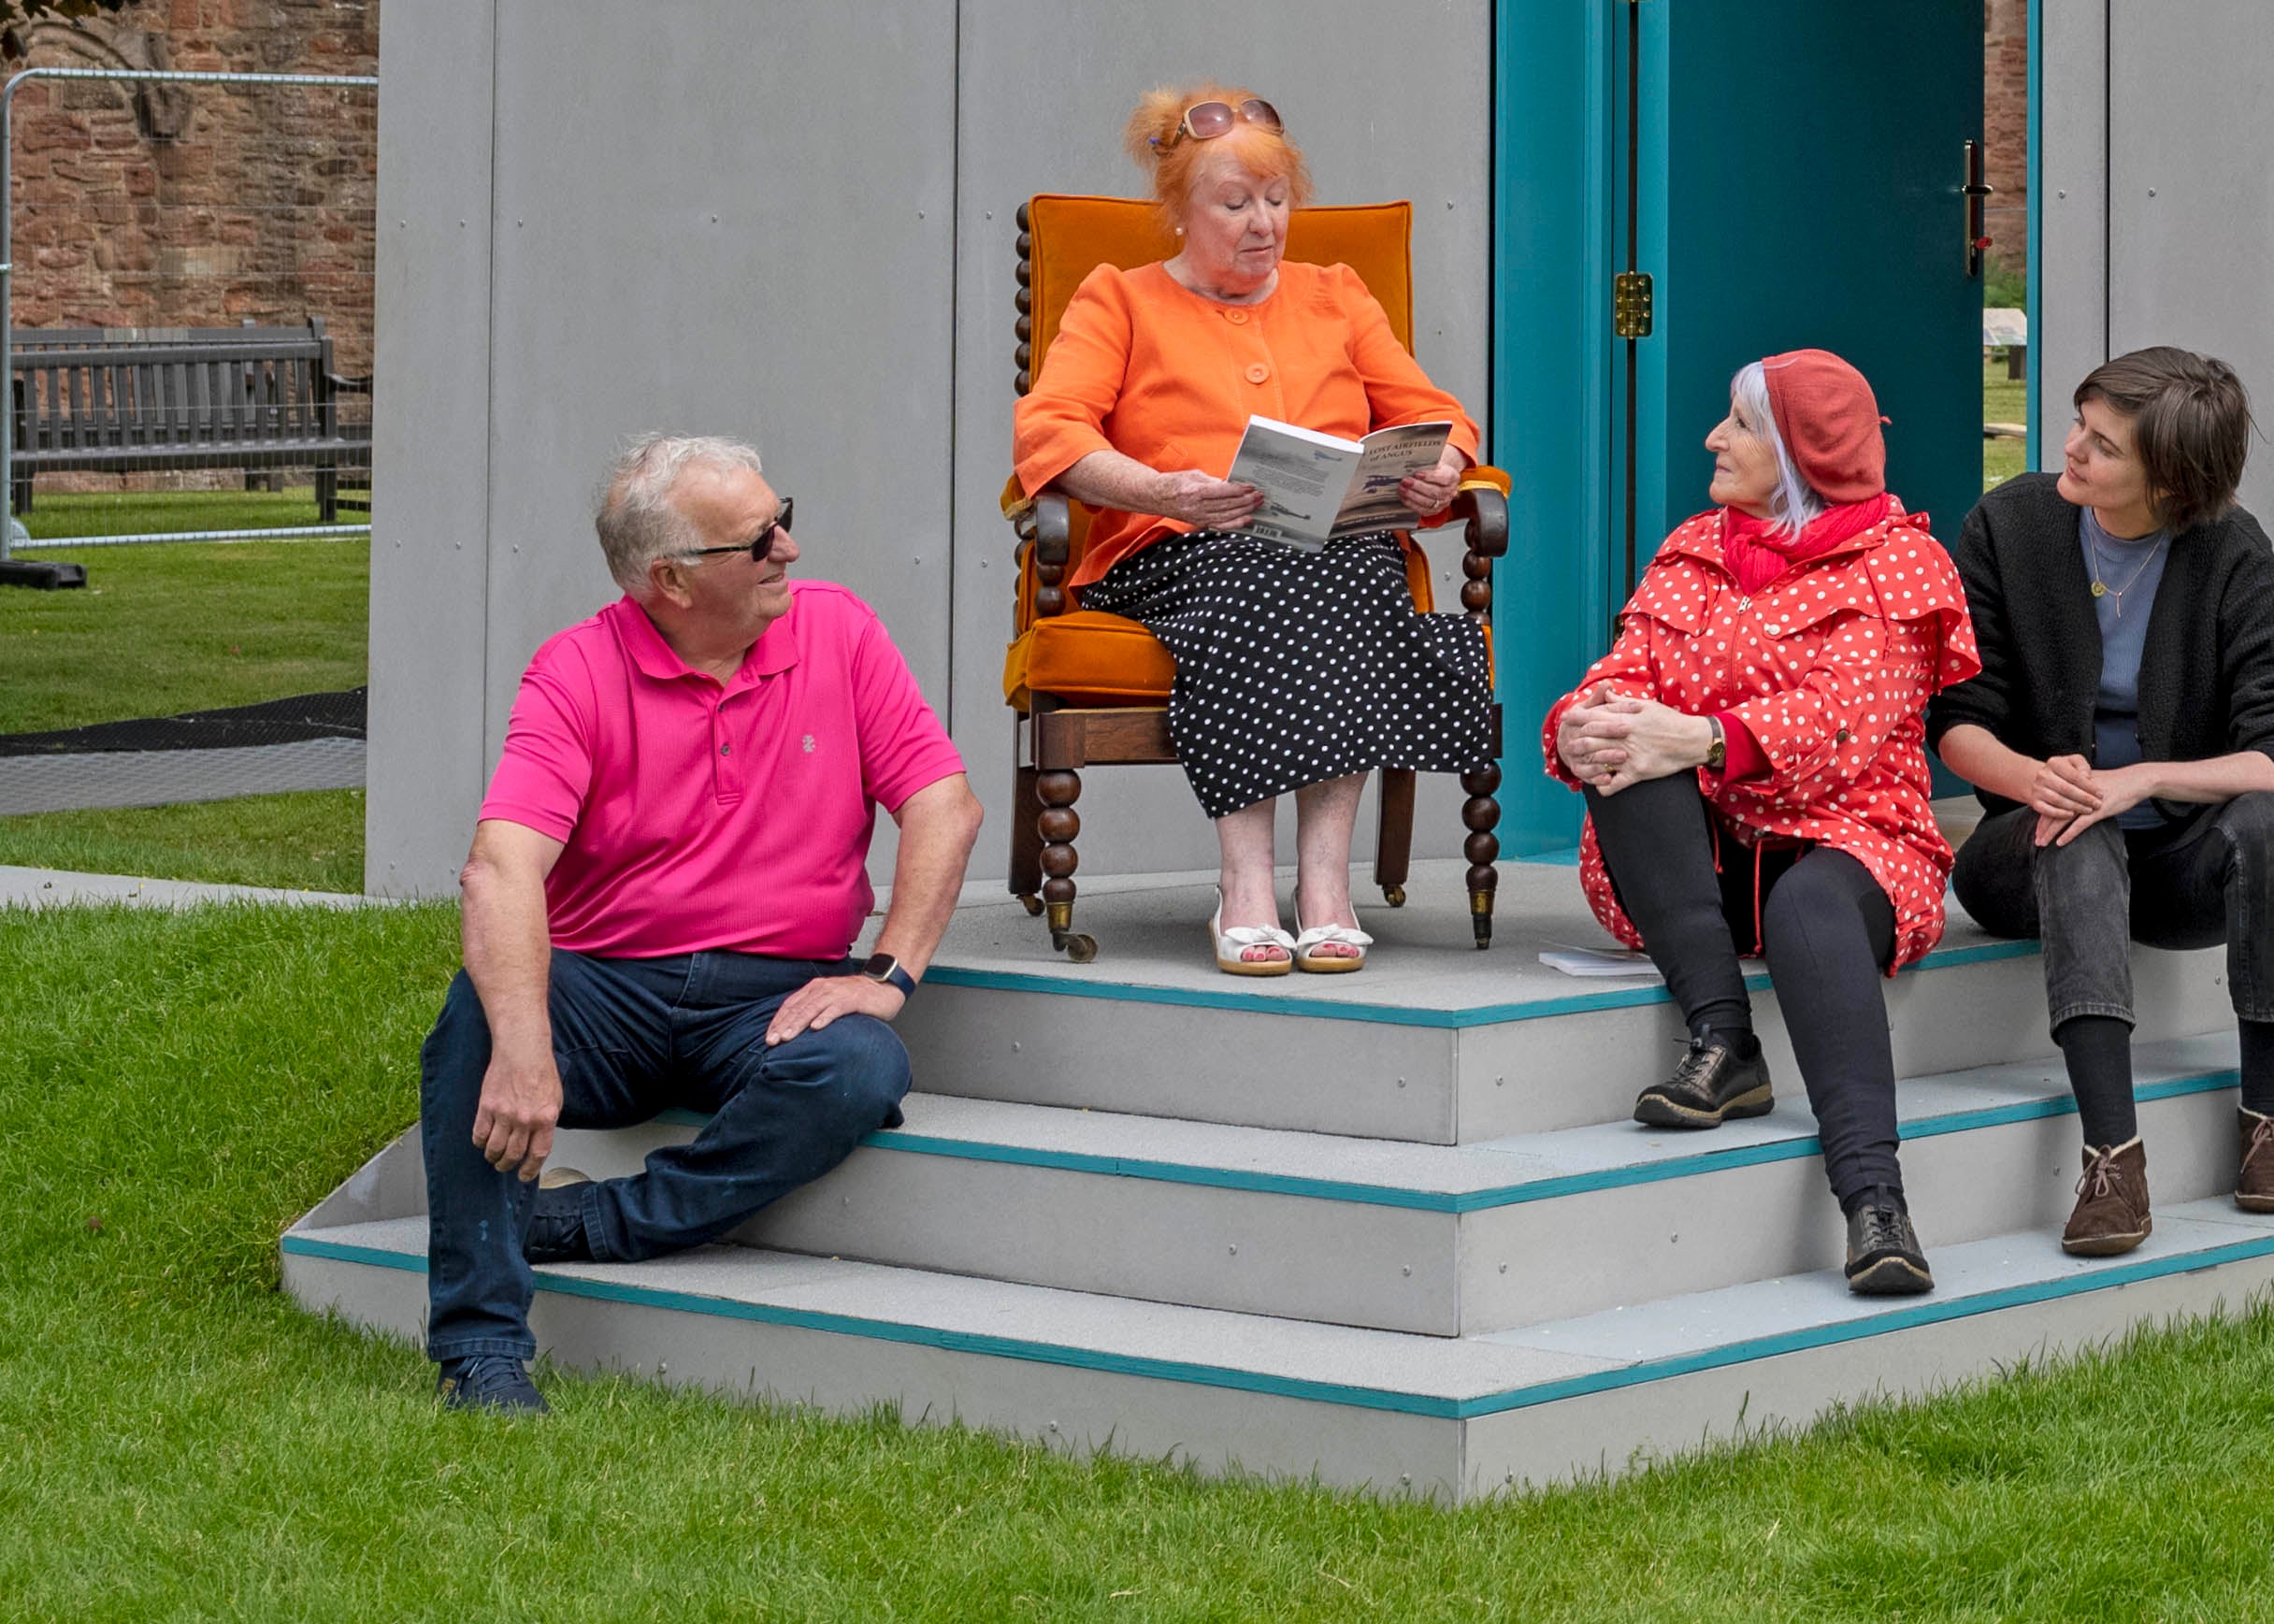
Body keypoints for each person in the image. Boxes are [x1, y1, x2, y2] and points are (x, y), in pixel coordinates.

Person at [417, 434, 976, 1415]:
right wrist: (522, 1043)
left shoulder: (839, 632)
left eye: (783, 519)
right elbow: (501, 867)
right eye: (760, 540)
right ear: (670, 580)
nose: (789, 552)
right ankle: (482, 1353)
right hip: (609, 985)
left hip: (772, 994)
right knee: (475, 1024)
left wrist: (888, 972)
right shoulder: (575, 671)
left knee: (859, 1067)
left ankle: (593, 1222)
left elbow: (942, 801)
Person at [1013, 85, 1497, 977]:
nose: (1264, 223)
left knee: (1346, 565)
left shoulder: (1335, 294)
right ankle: (1244, 882)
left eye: (1276, 201)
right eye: (1235, 204)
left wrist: (1446, 463)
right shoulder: (1120, 299)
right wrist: (1163, 488)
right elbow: (1051, 432)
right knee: (1258, 567)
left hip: (1333, 547)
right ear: (1179, 210)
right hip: (1175, 552)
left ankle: (1322, 889)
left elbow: (1437, 411)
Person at [1551, 349, 1977, 1300]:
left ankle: (1876, 1206)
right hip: (1706, 859)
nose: (1714, 439)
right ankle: (1723, 1043)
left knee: (1810, 911)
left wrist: (1699, 736)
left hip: (1852, 838)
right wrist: (1587, 720)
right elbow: (1628, 665)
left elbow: (1840, 729)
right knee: (1625, 750)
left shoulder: (1900, 564)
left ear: (1798, 449)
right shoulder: (1698, 546)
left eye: (1739, 424)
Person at [1934, 346, 2274, 1258]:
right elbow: (1957, 722)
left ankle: (2269, 1121)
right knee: (2074, 830)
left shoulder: (2231, 551)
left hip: (2177, 863)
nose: (2072, 447)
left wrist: (2145, 778)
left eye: (2103, 444)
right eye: (2080, 422)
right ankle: (2112, 1154)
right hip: (2026, 850)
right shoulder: (2009, 527)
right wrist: (2036, 777)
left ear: (2171, 485)